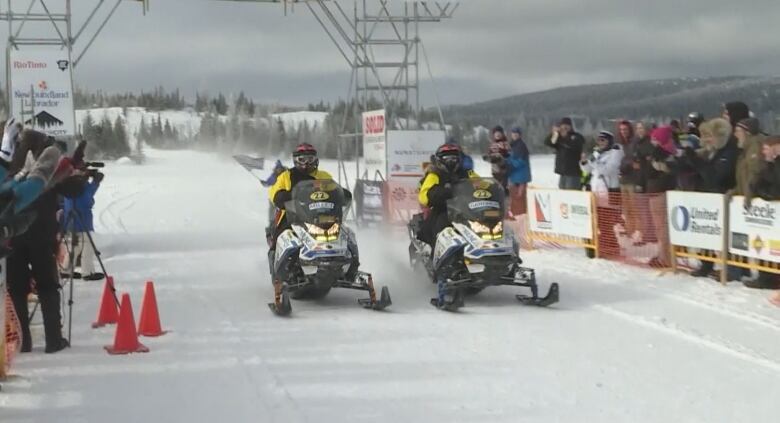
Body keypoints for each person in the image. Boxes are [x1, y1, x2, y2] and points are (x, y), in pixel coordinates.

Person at [5, 130, 85, 354]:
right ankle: (53, 339)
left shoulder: (10, 169)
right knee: (47, 285)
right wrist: (76, 170)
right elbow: (73, 190)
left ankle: (22, 340)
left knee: (17, 289)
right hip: (42, 235)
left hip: (12, 236)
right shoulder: (46, 171)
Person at [267, 143, 358, 278]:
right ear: (295, 160)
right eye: (302, 159)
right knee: (282, 234)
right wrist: (285, 196)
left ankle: (351, 265)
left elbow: (335, 190)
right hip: (293, 216)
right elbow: (274, 194)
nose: (306, 163)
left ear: (315, 159)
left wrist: (342, 195)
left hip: (321, 215)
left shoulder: (323, 176)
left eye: (309, 159)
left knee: (345, 233)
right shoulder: (286, 176)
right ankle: (280, 270)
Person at [683, 118, 739, 278]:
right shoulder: (712, 152)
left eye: (710, 136)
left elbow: (714, 176)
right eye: (705, 136)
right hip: (708, 198)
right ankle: (706, 263)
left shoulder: (728, 152)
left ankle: (731, 268)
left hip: (722, 199)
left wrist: (697, 162)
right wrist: (688, 158)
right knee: (706, 233)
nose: (707, 140)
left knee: (725, 235)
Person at [418, 143, 478, 246]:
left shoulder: (467, 173)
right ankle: (435, 254)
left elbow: (481, 184)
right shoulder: (434, 173)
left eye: (454, 158)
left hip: (466, 208)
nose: (451, 161)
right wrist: (443, 193)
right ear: (440, 159)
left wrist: (490, 190)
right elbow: (424, 195)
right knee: (441, 225)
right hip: (443, 209)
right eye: (447, 158)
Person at [744, 136, 780, 290]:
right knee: (767, 242)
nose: (763, 152)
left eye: (766, 148)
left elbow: (775, 188)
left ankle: (769, 278)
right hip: (772, 213)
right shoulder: (769, 165)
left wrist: (763, 192)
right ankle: (767, 277)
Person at [580, 131, 624, 259]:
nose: (600, 143)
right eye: (599, 140)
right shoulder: (597, 152)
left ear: (609, 141)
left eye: (603, 141)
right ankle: (604, 246)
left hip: (609, 191)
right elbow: (588, 169)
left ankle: (612, 248)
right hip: (596, 192)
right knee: (598, 222)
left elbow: (607, 170)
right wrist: (584, 162)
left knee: (607, 223)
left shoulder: (615, 153)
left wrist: (594, 162)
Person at [61, 170, 105, 281]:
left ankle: (66, 271)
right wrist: (96, 180)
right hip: (83, 222)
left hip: (70, 222)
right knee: (87, 248)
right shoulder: (84, 187)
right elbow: (88, 201)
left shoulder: (67, 188)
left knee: (74, 247)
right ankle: (87, 272)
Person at [645, 126, 678, 268]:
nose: (652, 141)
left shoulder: (663, 154)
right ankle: (662, 255)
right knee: (660, 228)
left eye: (654, 138)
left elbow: (654, 172)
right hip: (656, 191)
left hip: (661, 192)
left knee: (663, 228)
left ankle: (665, 258)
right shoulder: (662, 153)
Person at [619, 121, 654, 243]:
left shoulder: (635, 142)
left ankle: (641, 234)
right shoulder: (623, 144)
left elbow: (635, 160)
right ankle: (631, 231)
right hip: (624, 178)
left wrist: (628, 163)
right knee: (627, 209)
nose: (623, 132)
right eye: (621, 129)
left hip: (634, 179)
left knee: (637, 209)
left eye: (626, 129)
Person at [544, 117, 585, 190]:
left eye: (567, 126)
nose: (564, 128)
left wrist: (565, 137)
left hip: (573, 172)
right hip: (562, 172)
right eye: (563, 126)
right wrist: (553, 133)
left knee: (571, 194)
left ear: (571, 126)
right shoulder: (559, 137)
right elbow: (548, 142)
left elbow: (574, 146)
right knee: (562, 194)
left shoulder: (576, 137)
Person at [506, 127, 531, 218]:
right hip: (513, 176)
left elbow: (521, 161)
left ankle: (521, 217)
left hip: (521, 177)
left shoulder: (521, 145)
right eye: (513, 133)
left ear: (520, 135)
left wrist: (510, 165)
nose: (515, 135)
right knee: (514, 198)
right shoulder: (512, 145)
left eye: (517, 133)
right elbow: (510, 158)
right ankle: (515, 216)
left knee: (520, 198)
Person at [483, 126, 510, 190]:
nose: (497, 135)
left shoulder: (505, 143)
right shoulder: (492, 144)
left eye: (499, 133)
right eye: (496, 133)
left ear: (502, 134)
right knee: (496, 188)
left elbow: (509, 156)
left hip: (504, 171)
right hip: (495, 171)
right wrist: (487, 158)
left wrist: (502, 159)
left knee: (504, 188)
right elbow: (490, 156)